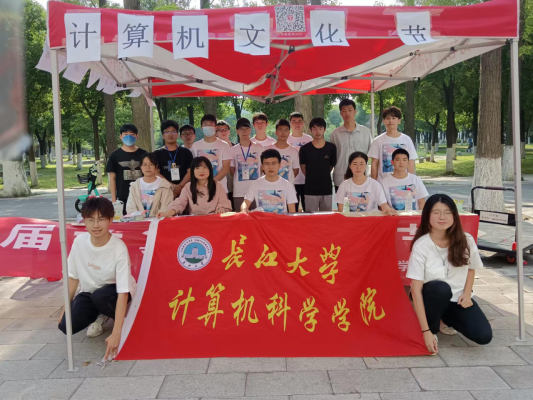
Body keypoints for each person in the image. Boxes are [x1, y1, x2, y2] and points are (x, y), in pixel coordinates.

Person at [407, 194, 492, 354]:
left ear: (454, 215)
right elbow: (415, 290)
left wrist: (467, 294)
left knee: (483, 336)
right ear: (427, 215)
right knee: (441, 288)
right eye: (436, 212)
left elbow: (471, 268)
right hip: (431, 296)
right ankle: (432, 327)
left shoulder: (466, 240)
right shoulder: (422, 245)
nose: (442, 217)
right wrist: (426, 331)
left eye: (447, 212)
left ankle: (445, 318)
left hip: (456, 298)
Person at [58, 197, 136, 361]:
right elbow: (73, 278)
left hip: (113, 293)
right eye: (90, 220)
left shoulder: (118, 248)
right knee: (66, 326)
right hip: (90, 292)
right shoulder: (79, 242)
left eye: (101, 219)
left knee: (101, 296)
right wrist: (65, 309)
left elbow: (123, 292)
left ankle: (119, 319)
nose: (96, 225)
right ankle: (100, 314)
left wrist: (117, 333)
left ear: (110, 220)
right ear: (84, 221)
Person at [157, 157, 232, 217]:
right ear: (193, 171)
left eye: (204, 167)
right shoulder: (188, 187)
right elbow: (180, 203)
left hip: (213, 220)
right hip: (195, 222)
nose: (201, 171)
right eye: (197, 168)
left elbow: (223, 202)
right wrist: (168, 213)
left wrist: (221, 209)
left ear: (210, 169)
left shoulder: (218, 185)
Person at [329, 99, 373, 191]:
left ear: (355, 111)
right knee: (342, 200)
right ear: (340, 113)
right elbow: (331, 156)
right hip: (341, 177)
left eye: (350, 110)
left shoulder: (365, 132)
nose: (347, 113)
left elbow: (371, 154)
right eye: (344, 111)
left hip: (362, 177)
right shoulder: (335, 134)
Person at [368, 106, 418, 182]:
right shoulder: (377, 141)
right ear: (384, 121)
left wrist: (411, 181)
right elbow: (374, 163)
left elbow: (410, 162)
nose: (390, 121)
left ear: (399, 121)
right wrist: (374, 183)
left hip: (402, 182)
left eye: (394, 118)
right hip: (383, 183)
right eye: (388, 118)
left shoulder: (406, 140)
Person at [106, 124, 146, 215]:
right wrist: (114, 201)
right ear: (120, 136)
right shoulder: (114, 155)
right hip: (122, 197)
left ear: (137, 136)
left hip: (142, 196)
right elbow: (112, 178)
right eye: (125, 134)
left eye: (132, 134)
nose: (129, 137)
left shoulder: (144, 154)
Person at [299, 117, 337, 212]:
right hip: (310, 189)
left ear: (324, 130)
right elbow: (303, 167)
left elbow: (331, 166)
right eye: (315, 129)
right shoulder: (304, 149)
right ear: (311, 130)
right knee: (310, 217)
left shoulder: (331, 148)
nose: (318, 132)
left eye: (320, 128)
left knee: (326, 217)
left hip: (326, 188)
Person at [242, 149, 298, 214]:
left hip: (281, 220)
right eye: (267, 164)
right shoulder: (255, 184)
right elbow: (246, 202)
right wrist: (244, 209)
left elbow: (292, 211)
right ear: (262, 166)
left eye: (274, 163)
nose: (271, 167)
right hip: (261, 220)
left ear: (279, 165)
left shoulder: (287, 185)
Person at [190, 114, 232, 193]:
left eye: (211, 124)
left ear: (216, 127)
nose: (208, 126)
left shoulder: (224, 145)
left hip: (220, 189)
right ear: (201, 127)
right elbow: (193, 168)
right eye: (205, 124)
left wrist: (211, 183)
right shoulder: (195, 146)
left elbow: (226, 168)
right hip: (200, 190)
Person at [229, 117, 264, 211]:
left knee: (257, 218)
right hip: (239, 192)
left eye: (246, 128)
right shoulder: (232, 150)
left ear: (250, 130)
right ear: (237, 131)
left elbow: (262, 168)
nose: (244, 131)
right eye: (241, 129)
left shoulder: (259, 148)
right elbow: (232, 170)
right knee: (240, 217)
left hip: (257, 190)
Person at [126, 153, 174, 217]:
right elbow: (131, 208)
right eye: (144, 164)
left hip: (158, 221)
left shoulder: (165, 185)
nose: (147, 167)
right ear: (141, 167)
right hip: (139, 221)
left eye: (151, 164)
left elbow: (166, 208)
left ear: (156, 167)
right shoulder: (134, 186)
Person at [154, 120, 193, 198]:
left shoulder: (186, 152)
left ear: (177, 134)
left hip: (185, 191)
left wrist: (180, 186)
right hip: (164, 192)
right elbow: (156, 173)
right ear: (162, 135)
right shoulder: (157, 154)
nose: (170, 134)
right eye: (167, 132)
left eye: (173, 131)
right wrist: (173, 187)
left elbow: (190, 172)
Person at [287, 111, 313, 212]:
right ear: (290, 123)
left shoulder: (309, 139)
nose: (297, 124)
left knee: (308, 210)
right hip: (291, 181)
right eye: (294, 121)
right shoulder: (286, 139)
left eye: (299, 121)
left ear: (303, 123)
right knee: (292, 210)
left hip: (307, 180)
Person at [265, 118, 300, 184]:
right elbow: (263, 168)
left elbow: (296, 170)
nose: (283, 133)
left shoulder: (294, 151)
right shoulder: (268, 149)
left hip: (288, 187)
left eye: (286, 130)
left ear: (289, 133)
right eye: (281, 130)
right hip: (271, 186)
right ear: (276, 132)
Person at [216, 119, 236, 209]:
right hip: (221, 187)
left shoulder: (236, 147)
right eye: (220, 130)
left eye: (225, 129)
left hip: (235, 186)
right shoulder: (214, 149)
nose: (223, 132)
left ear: (229, 132)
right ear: (216, 133)